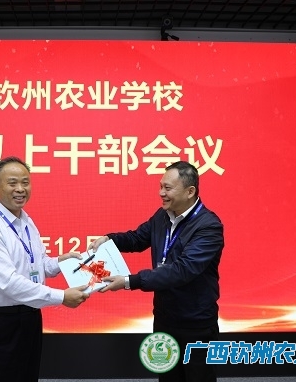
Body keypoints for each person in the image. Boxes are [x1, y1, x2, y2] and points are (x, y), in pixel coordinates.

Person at [88, 161, 224, 382]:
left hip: (196, 324)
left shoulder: (208, 226)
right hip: (164, 318)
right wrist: (110, 239)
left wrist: (129, 281)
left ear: (190, 191)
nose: (161, 193)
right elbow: (137, 238)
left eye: (167, 188)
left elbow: (182, 270)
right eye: (161, 186)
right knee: (167, 378)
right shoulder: (162, 216)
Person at [0, 156, 89, 382]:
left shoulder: (25, 221)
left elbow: (38, 264)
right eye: (12, 183)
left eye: (25, 182)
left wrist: (62, 262)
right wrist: (62, 297)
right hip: (2, 322)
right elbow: (9, 283)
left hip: (30, 318)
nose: (20, 189)